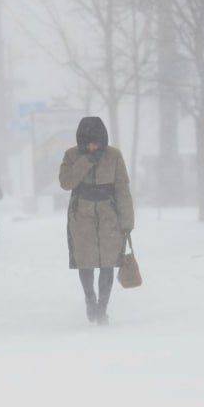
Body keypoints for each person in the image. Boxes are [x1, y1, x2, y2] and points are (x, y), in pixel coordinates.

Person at [59, 116, 134, 325]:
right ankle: (90, 298)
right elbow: (66, 182)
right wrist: (86, 161)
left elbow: (122, 189)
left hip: (109, 216)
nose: (93, 145)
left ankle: (102, 307)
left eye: (97, 140)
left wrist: (127, 222)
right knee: (86, 261)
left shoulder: (114, 156)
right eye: (89, 141)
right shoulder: (72, 155)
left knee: (108, 262)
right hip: (81, 216)